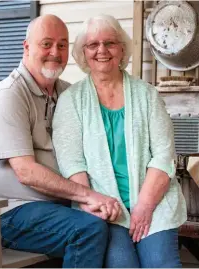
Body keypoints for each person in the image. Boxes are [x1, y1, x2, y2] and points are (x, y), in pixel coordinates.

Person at [0, 14, 122, 268]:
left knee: (118, 221)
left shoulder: (67, 92)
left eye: (62, 45)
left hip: (57, 206)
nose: (55, 52)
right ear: (27, 47)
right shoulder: (9, 95)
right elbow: (26, 172)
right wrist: (88, 196)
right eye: (46, 44)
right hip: (7, 213)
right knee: (88, 230)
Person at [52, 14, 187, 268]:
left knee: (161, 264)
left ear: (122, 48)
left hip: (154, 203)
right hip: (104, 210)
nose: (102, 50)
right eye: (93, 45)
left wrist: (144, 207)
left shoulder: (147, 95)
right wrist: (95, 203)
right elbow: (73, 165)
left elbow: (164, 155)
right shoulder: (71, 100)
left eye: (110, 43)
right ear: (83, 52)